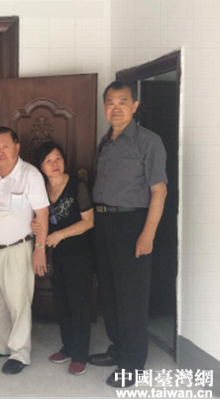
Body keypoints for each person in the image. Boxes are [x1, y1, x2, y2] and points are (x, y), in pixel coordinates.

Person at [89, 81, 168, 388]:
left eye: (123, 102)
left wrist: (147, 235)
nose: (116, 108)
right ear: (104, 107)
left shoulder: (149, 141)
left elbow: (159, 191)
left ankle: (132, 363)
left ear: (134, 106)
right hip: (103, 223)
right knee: (109, 291)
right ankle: (118, 347)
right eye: (110, 102)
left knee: (131, 296)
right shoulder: (105, 141)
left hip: (132, 223)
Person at [0, 127, 49, 375]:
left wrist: (40, 249)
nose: (0, 151)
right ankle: (0, 345)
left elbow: (42, 214)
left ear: (17, 147)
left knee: (18, 302)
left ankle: (20, 353)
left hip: (17, 248)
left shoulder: (30, 174)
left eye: (5, 146)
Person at [31, 142, 95, 376]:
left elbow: (89, 222)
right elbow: (39, 219)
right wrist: (34, 226)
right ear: (41, 167)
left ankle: (80, 355)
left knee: (79, 305)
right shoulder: (41, 190)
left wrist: (60, 234)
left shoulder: (77, 186)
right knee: (62, 303)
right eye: (48, 160)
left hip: (79, 254)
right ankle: (68, 347)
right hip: (55, 255)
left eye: (58, 158)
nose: (54, 164)